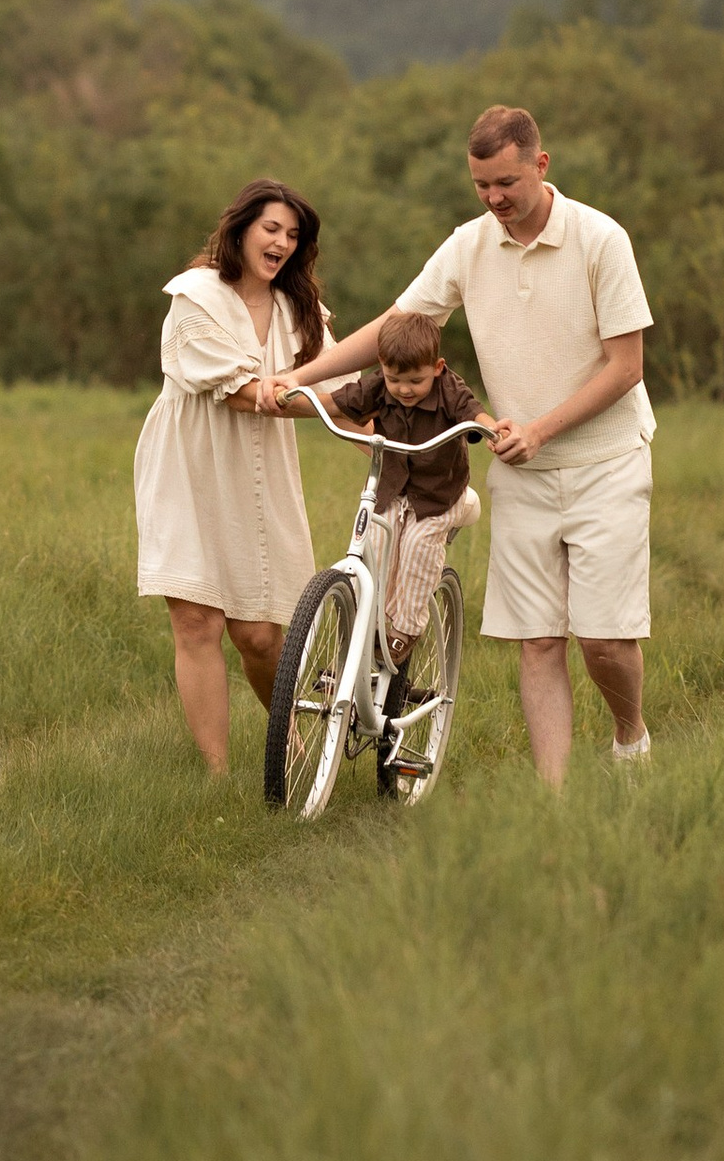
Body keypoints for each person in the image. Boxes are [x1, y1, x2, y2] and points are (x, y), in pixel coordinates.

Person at [267, 104, 654, 784]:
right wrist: (300, 377)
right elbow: (397, 323)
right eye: (481, 185)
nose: (494, 198)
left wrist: (540, 429)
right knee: (537, 641)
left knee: (603, 640)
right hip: (520, 470)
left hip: (606, 464)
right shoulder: (469, 246)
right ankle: (555, 805)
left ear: (540, 164)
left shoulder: (601, 239)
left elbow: (627, 368)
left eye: (506, 182)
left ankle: (631, 735)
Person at [134, 176, 329, 774]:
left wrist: (393, 433)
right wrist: (317, 401)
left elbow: (342, 388)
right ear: (241, 229)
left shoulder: (301, 311)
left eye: (292, 235)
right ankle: (216, 775)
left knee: (260, 636)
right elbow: (241, 393)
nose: (282, 243)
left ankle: (288, 743)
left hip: (259, 472)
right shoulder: (195, 296)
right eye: (271, 228)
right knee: (197, 621)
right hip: (188, 465)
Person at [332, 311, 491, 766]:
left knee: (420, 546)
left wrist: (491, 427)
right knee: (377, 544)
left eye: (416, 381)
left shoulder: (448, 388)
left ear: (436, 368)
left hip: (438, 497)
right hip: (393, 489)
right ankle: (368, 633)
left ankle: (403, 630)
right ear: (382, 368)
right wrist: (294, 394)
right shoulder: (381, 386)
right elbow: (344, 400)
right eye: (394, 379)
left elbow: (472, 411)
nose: (404, 389)